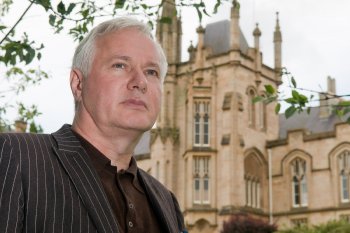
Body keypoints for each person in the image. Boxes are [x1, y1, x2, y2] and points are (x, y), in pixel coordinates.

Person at [0, 17, 186, 233]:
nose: (140, 81)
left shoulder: (166, 202)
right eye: (120, 65)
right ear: (78, 84)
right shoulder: (15, 156)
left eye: (151, 72)